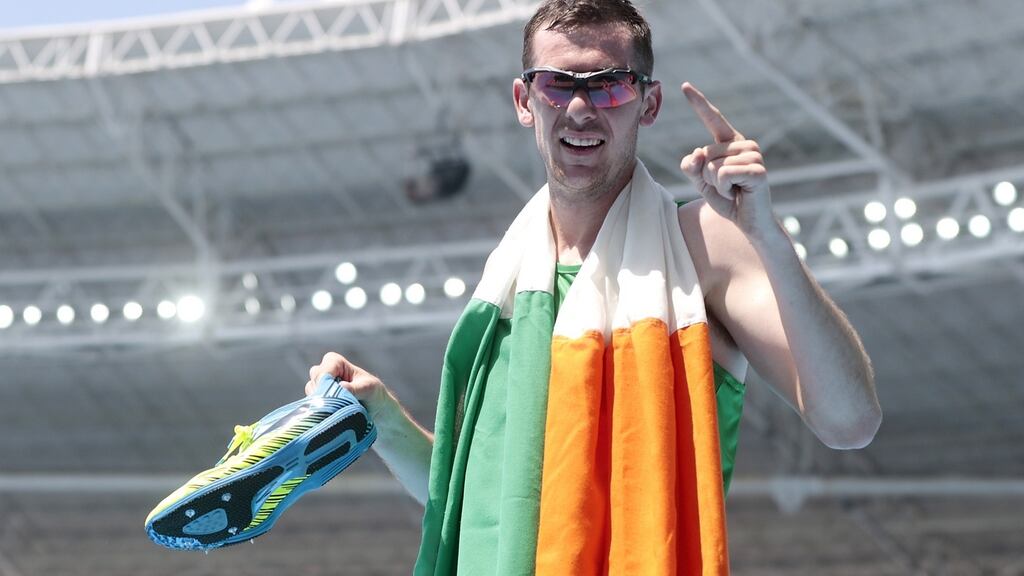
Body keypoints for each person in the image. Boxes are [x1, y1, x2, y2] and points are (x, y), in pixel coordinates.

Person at [307, 0, 881, 572]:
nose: (580, 108)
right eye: (557, 85)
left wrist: (768, 237)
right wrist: (381, 419)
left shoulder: (700, 244)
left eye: (609, 86)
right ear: (524, 102)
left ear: (647, 103)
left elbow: (849, 422)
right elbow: (479, 508)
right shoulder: (508, 284)